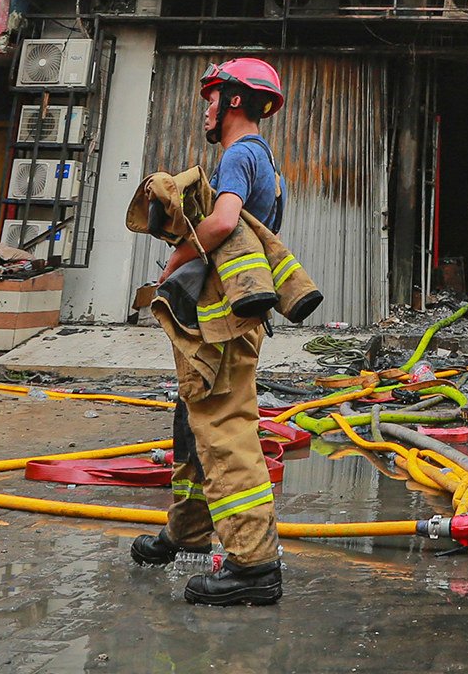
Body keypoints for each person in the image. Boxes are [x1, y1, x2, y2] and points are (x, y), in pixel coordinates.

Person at [130, 58, 293, 606]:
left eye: (212, 98)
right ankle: (187, 532)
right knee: (194, 426)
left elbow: (223, 222)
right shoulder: (265, 163)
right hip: (227, 319)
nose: (207, 107)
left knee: (225, 432)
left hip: (225, 322)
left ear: (236, 103)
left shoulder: (240, 154)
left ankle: (253, 567)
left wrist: (172, 262)